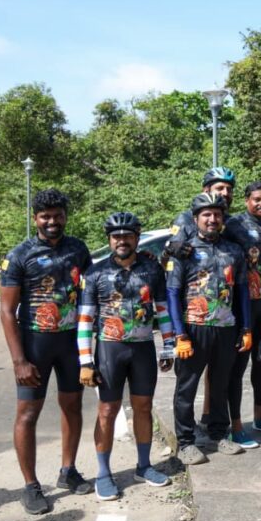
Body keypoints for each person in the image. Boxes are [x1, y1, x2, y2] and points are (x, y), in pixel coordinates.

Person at [0, 189, 94, 514]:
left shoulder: (78, 249)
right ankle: (30, 485)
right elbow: (6, 311)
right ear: (35, 218)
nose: (52, 221)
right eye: (45, 216)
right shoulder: (20, 255)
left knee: (72, 406)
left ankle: (68, 471)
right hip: (34, 346)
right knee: (28, 414)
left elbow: (91, 292)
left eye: (57, 215)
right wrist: (19, 360)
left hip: (70, 343)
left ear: (65, 216)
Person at [77, 212, 174, 500]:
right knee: (107, 411)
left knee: (143, 407)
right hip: (110, 348)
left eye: (128, 235)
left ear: (137, 238)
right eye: (116, 236)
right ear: (109, 240)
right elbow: (85, 319)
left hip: (143, 347)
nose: (122, 240)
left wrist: (168, 346)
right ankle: (103, 473)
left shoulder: (152, 269)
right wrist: (85, 361)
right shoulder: (94, 273)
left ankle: (144, 466)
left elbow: (162, 310)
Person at [167, 193, 252, 464]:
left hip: (226, 326)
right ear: (195, 219)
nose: (212, 219)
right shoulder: (184, 251)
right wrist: (179, 334)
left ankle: (218, 433)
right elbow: (172, 293)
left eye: (217, 214)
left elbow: (242, 292)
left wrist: (246, 327)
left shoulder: (234, 250)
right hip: (194, 328)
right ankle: (185, 442)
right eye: (206, 214)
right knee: (187, 387)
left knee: (220, 383)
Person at [162, 166, 236, 433]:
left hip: (224, 314)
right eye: (219, 187)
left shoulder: (231, 221)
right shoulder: (185, 218)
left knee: (219, 379)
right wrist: (178, 333)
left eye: (229, 189)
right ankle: (185, 436)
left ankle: (214, 425)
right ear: (206, 189)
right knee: (188, 380)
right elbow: (168, 257)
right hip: (192, 315)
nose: (225, 192)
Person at [223, 182, 261, 446]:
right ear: (247, 200)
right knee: (237, 367)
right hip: (240, 305)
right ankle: (235, 425)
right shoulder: (232, 225)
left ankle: (259, 417)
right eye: (257, 199)